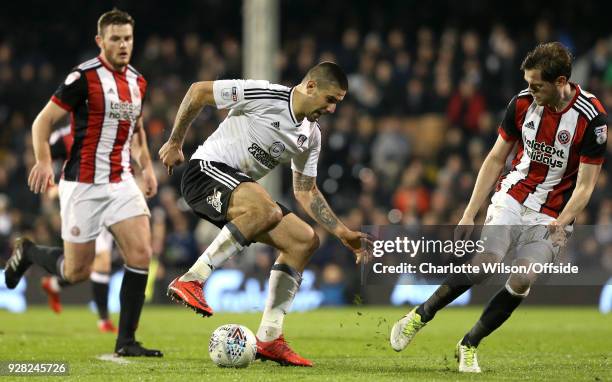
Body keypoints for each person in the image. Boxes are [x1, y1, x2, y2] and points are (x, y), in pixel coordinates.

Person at [390, 42, 607, 373]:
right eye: (528, 83)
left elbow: (586, 185)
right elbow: (495, 158)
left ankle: (469, 344)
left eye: (537, 85)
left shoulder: (592, 118)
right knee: (486, 263)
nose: (530, 90)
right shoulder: (521, 104)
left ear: (560, 81)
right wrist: (469, 211)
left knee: (522, 279)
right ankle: (420, 315)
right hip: (513, 195)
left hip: (552, 213)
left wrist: (562, 223)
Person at [159, 62, 371, 366]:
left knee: (304, 240)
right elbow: (199, 91)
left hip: (241, 194)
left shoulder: (311, 135)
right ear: (310, 86)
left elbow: (305, 190)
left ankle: (270, 337)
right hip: (204, 173)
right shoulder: (267, 95)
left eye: (337, 103)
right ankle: (192, 279)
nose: (333, 109)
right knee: (266, 209)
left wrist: (342, 232)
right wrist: (175, 141)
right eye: (330, 100)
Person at [3, 9, 162, 357]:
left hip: (120, 181)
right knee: (76, 272)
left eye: (128, 38)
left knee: (140, 253)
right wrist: (44, 160)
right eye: (116, 38)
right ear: (100, 41)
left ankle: (127, 341)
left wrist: (146, 167)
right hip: (83, 184)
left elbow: (135, 130)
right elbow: (42, 122)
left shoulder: (138, 81)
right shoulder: (83, 78)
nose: (123, 45)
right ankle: (28, 252)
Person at [40, 126, 118, 333]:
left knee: (95, 262)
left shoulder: (109, 127)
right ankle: (104, 320)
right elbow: (43, 160)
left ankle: (55, 284)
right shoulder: (63, 137)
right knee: (101, 260)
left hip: (109, 196)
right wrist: (51, 188)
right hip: (80, 200)